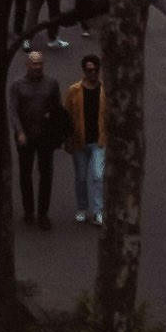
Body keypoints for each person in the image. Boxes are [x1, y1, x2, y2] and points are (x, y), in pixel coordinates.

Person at [6, 36, 64, 225]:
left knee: (46, 174)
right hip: (25, 134)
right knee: (25, 173)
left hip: (45, 135)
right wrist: (19, 132)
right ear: (27, 65)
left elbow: (57, 107)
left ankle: (43, 213)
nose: (37, 67)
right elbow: (13, 110)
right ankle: (29, 210)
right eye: (34, 64)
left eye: (40, 63)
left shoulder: (51, 84)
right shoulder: (17, 85)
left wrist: (55, 127)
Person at [63, 50, 108, 229]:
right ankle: (82, 207)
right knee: (81, 177)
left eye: (96, 70)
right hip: (79, 141)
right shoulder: (74, 91)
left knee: (97, 176)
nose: (93, 73)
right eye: (89, 70)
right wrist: (67, 139)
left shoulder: (105, 91)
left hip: (99, 140)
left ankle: (98, 211)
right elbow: (66, 115)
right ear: (84, 71)